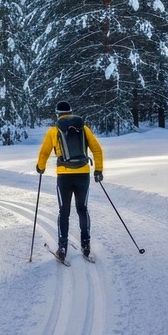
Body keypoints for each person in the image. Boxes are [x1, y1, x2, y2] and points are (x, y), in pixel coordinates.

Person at [36, 100, 104, 260]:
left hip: (64, 176)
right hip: (83, 174)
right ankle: (86, 246)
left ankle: (63, 248)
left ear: (57, 114)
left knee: (64, 211)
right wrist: (98, 170)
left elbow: (44, 153)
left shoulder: (54, 131)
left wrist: (40, 167)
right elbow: (97, 149)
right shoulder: (84, 128)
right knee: (82, 209)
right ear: (71, 112)